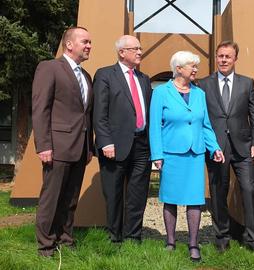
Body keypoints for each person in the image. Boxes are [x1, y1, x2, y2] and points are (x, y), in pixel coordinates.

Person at [149, 51, 225, 262]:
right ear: (179, 68)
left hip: (195, 154)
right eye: (192, 66)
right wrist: (157, 154)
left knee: (194, 200)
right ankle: (171, 242)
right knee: (170, 199)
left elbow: (205, 125)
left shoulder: (199, 93)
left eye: (196, 66)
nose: (195, 70)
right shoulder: (161, 92)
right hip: (171, 154)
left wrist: (215, 148)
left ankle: (193, 243)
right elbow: (154, 126)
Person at [198, 41, 254, 258]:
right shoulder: (203, 84)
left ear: (235, 59)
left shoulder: (247, 83)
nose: (224, 60)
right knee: (219, 193)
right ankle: (222, 238)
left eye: (228, 56)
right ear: (216, 58)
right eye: (220, 56)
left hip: (244, 147)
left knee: (249, 190)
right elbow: (200, 117)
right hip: (216, 148)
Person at [32, 26, 93, 257]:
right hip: (56, 148)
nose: (89, 46)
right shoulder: (50, 68)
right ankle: (45, 246)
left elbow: (86, 114)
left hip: (80, 148)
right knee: (52, 198)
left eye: (90, 42)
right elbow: (40, 110)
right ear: (69, 44)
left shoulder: (86, 75)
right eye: (85, 42)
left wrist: (89, 146)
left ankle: (65, 240)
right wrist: (44, 145)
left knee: (70, 199)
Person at [93, 35, 152, 244]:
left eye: (140, 48)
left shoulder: (144, 79)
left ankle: (133, 236)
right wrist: (105, 142)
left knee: (138, 193)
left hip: (142, 145)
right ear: (121, 52)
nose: (139, 52)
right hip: (115, 145)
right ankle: (114, 237)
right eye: (134, 48)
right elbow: (99, 113)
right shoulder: (105, 75)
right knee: (114, 193)